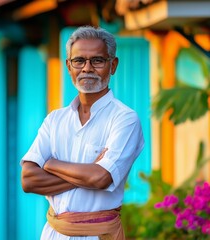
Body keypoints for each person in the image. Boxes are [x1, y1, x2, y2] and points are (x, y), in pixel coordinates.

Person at [20, 25, 145, 240]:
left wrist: (51, 165)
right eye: (79, 61)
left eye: (97, 60)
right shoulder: (55, 120)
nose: (87, 68)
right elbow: (29, 180)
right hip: (53, 233)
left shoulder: (125, 119)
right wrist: (88, 173)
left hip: (98, 235)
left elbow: (101, 178)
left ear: (113, 65)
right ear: (69, 66)